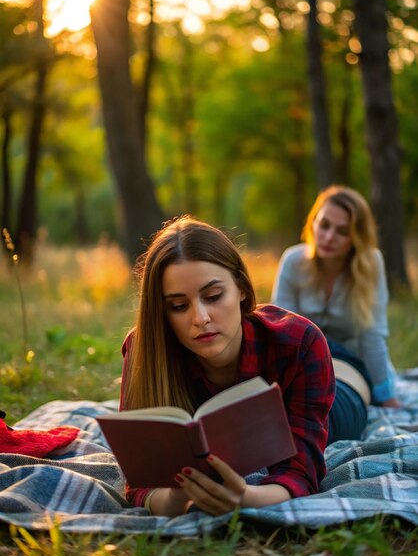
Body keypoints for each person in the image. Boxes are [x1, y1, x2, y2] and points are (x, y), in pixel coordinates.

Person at [120, 215, 335, 517]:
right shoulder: (145, 351)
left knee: (351, 378)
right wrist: (175, 499)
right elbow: (140, 481)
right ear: (162, 312)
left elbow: (302, 472)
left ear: (242, 289)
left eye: (213, 296)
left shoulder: (301, 344)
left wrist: (245, 498)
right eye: (179, 306)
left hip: (336, 401)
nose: (200, 318)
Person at [271, 185, 400, 414]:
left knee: (332, 411)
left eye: (343, 231)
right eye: (324, 225)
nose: (329, 237)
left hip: (352, 364)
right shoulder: (292, 261)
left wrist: (386, 396)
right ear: (313, 223)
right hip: (304, 364)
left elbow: (373, 335)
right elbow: (281, 332)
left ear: (357, 236)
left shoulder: (371, 263)